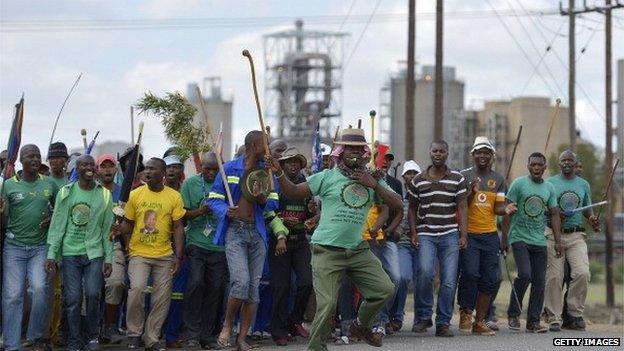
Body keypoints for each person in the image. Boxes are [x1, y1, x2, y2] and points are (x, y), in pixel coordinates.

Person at [265, 127, 402, 351]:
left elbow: (397, 204)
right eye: (349, 148)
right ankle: (316, 348)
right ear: (341, 151)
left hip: (357, 250)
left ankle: (361, 326)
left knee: (385, 289)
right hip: (327, 250)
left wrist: (374, 184)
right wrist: (279, 173)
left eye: (359, 149)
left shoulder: (373, 178)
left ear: (365, 152)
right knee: (327, 304)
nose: (354, 153)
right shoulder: (327, 177)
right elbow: (292, 191)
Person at [207, 131, 280, 351]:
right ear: (253, 145)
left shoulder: (266, 172)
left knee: (253, 289)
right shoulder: (229, 168)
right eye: (265, 144)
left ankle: (242, 338)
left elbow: (274, 203)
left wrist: (262, 198)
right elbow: (213, 198)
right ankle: (227, 325)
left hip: (256, 233)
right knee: (241, 281)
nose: (268, 149)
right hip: (235, 232)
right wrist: (224, 210)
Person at [45, 155, 114, 351]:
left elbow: (107, 229)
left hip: (94, 253)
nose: (89, 167)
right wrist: (52, 254)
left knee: (93, 294)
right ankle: (75, 340)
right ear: (77, 168)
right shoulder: (65, 192)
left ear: (96, 168)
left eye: (91, 164)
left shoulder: (105, 195)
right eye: (84, 164)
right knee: (73, 298)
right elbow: (57, 225)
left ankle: (91, 336)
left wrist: (108, 258)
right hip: (69, 253)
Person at [118, 158, 186, 351]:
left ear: (163, 173)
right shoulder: (135, 195)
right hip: (139, 253)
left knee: (162, 298)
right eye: (146, 168)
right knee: (137, 290)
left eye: (152, 169)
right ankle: (133, 333)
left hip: (164, 255)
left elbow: (178, 227)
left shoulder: (173, 196)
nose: (147, 172)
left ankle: (152, 339)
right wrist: (119, 231)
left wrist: (178, 256)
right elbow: (128, 224)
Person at [408, 140, 468, 337]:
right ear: (430, 152)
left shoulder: (457, 179)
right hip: (426, 233)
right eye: (434, 151)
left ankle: (443, 322)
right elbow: (412, 208)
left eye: (442, 151)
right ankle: (424, 317)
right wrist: (414, 232)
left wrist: (463, 234)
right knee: (425, 273)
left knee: (449, 280)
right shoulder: (418, 180)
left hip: (450, 234)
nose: (438, 154)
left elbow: (462, 207)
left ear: (447, 153)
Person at [1, 144, 58, 351]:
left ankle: (35, 337)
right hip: (14, 248)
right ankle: (11, 345)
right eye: (30, 156)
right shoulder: (7, 186)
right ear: (21, 161)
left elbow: (60, 211)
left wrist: (52, 217)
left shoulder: (50, 185)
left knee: (39, 289)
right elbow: (3, 221)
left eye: (37, 156)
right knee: (12, 296)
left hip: (39, 248)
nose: (35, 159)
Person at [505, 152, 563, 333]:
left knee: (539, 281)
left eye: (540, 165)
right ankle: (514, 314)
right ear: (528, 166)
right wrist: (504, 238)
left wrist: (558, 241)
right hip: (519, 237)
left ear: (545, 168)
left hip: (539, 240)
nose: (537, 168)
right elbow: (506, 210)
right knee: (525, 275)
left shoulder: (549, 188)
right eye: (533, 165)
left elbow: (554, 214)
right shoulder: (518, 184)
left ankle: (533, 321)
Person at [543, 150, 599, 331]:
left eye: (570, 160)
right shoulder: (550, 183)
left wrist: (592, 220)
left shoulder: (583, 184)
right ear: (559, 164)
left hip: (576, 235)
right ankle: (553, 317)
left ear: (576, 164)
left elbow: (587, 208)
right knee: (554, 276)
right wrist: (556, 213)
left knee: (583, 272)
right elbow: (545, 209)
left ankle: (574, 313)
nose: (566, 163)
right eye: (563, 160)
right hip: (553, 234)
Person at [457, 137, 507, 335]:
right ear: (473, 155)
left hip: (490, 235)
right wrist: (471, 192)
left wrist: (507, 209)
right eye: (479, 152)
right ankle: (466, 312)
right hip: (469, 234)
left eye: (486, 152)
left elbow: (499, 208)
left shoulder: (499, 179)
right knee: (470, 274)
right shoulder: (463, 176)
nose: (482, 155)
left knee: (490, 278)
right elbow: (460, 206)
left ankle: (480, 321)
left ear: (492, 156)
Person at [180, 152, 228, 349]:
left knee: (215, 289)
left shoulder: (227, 184)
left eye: (215, 170)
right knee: (196, 284)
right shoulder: (190, 184)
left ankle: (207, 336)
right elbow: (182, 215)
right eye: (207, 169)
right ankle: (192, 333)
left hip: (220, 244)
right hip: (197, 243)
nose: (211, 173)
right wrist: (201, 211)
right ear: (202, 168)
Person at [269, 147, 314, 346]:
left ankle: (295, 320)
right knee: (281, 287)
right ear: (283, 165)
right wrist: (280, 234)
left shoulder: (307, 185)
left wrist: (312, 216)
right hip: (281, 243)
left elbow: (311, 216)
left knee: (306, 282)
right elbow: (269, 214)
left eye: (297, 162)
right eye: (289, 162)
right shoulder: (274, 185)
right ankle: (278, 330)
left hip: (301, 242)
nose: (294, 165)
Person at [388, 160, 421, 333]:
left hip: (422, 244)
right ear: (403, 176)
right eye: (408, 173)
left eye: (415, 173)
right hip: (403, 245)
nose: (411, 176)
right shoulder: (399, 196)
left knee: (424, 279)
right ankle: (397, 316)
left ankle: (421, 319)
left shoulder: (426, 195)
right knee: (402, 277)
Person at [96, 154, 125, 344]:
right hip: (90, 245)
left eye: (110, 166)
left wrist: (122, 228)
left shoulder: (124, 193)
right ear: (98, 170)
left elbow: (130, 221)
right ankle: (87, 327)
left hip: (114, 245)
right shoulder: (92, 191)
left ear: (116, 169)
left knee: (115, 283)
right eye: (103, 166)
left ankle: (109, 325)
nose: (107, 170)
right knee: (89, 290)